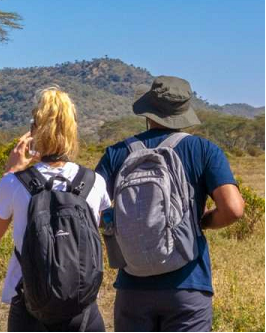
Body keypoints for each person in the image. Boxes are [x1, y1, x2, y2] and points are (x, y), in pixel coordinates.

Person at [96, 76, 245, 332]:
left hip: (132, 287)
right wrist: (202, 222)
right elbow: (233, 209)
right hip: (188, 284)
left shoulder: (117, 153)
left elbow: (91, 208)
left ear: (148, 110)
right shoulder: (204, 150)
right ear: (184, 111)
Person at [0, 87, 111, 332]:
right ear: (73, 132)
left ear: (34, 131)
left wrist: (11, 169)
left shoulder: (13, 183)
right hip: (82, 308)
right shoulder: (94, 182)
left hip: (29, 304)